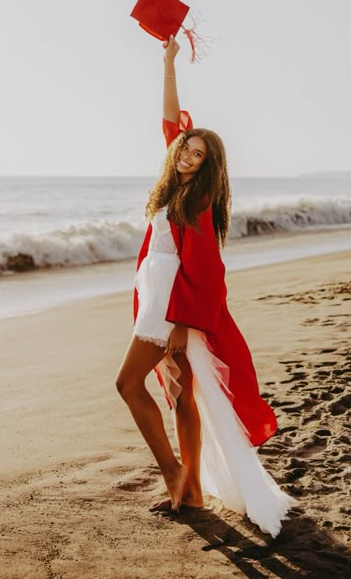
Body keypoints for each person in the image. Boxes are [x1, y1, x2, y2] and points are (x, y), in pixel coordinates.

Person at [115, 36, 298, 536]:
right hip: (158, 302)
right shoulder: (174, 183)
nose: (187, 157)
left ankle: (175, 472)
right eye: (186, 150)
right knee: (180, 396)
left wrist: (179, 325)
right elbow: (172, 122)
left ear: (208, 166)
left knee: (128, 385)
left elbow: (209, 272)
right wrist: (169, 62)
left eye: (198, 155)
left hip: (170, 310)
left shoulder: (197, 199)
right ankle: (192, 491)